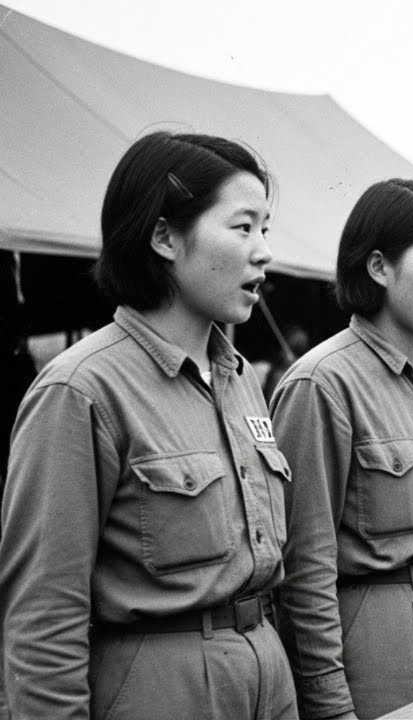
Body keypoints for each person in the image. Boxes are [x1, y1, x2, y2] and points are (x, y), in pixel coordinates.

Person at [0, 132, 296, 719]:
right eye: (243, 228)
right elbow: (43, 619)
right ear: (164, 236)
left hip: (268, 683)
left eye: (266, 230)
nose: (263, 251)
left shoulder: (239, 381)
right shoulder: (81, 390)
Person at [270, 180, 413, 719]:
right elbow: (306, 566)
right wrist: (329, 703)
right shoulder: (322, 383)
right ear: (379, 268)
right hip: (380, 651)